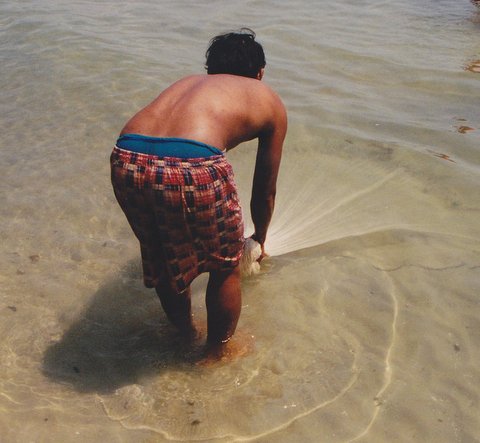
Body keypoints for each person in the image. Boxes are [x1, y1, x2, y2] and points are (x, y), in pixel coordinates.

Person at [110, 28, 287, 358]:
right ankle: (215, 355)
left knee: (164, 256)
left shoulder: (187, 83)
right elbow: (265, 188)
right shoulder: (269, 100)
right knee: (224, 267)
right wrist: (259, 238)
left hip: (127, 157)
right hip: (192, 163)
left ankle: (183, 335)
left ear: (210, 70)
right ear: (260, 73)